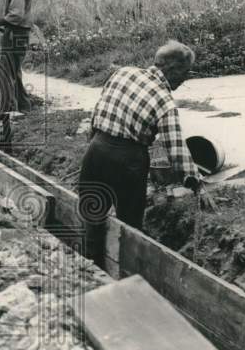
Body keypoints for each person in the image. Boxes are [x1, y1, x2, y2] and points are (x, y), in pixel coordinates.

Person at [78, 41, 205, 271]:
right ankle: (129, 277)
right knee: (130, 226)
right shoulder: (165, 102)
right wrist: (196, 183)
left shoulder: (123, 73)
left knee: (91, 218)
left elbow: (98, 113)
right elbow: (176, 148)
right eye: (186, 72)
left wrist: (93, 146)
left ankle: (90, 273)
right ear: (173, 70)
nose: (186, 79)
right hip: (127, 163)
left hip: (96, 151)